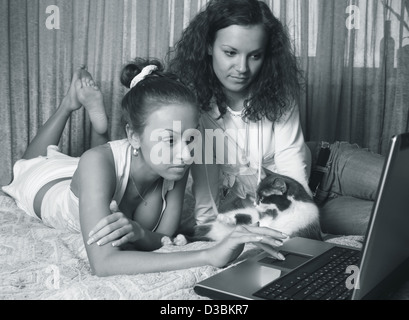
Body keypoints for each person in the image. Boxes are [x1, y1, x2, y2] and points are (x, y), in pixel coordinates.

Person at [2, 59, 288, 277]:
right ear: (134, 136)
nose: (186, 154)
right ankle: (69, 104)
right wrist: (209, 255)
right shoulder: (97, 163)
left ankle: (97, 130)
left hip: (97, 174)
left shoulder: (174, 166)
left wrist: (139, 233)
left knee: (90, 162)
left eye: (191, 138)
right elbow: (103, 263)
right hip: (46, 185)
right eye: (170, 139)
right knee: (28, 164)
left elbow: (162, 237)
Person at [168, 0, 385, 236]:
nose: (242, 67)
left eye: (254, 55)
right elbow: (206, 197)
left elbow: (290, 158)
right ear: (209, 46)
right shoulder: (191, 109)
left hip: (330, 167)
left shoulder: (277, 91)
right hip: (312, 208)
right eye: (230, 52)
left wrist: (298, 214)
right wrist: (210, 231)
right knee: (397, 221)